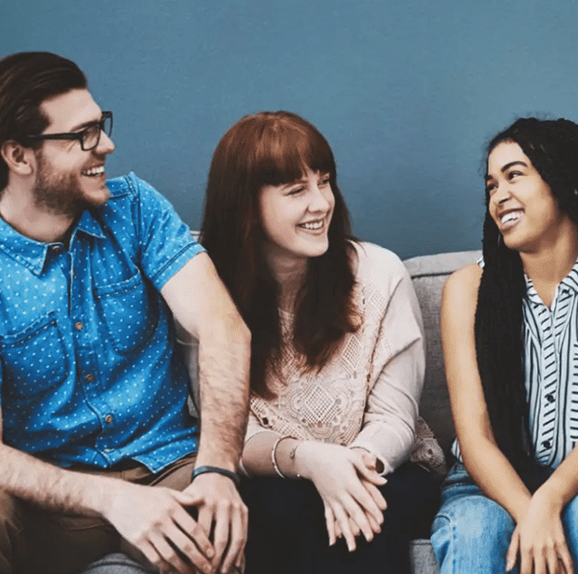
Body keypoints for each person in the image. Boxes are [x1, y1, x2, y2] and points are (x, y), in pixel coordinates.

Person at [0, 51, 251, 574]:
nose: (107, 146)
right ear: (19, 156)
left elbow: (222, 327)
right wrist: (111, 499)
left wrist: (217, 470)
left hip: (168, 467)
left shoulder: (136, 209)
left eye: (102, 126)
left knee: (218, 526)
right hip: (51, 503)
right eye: (84, 135)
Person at [188, 110, 446, 573]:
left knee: (357, 520)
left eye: (323, 182)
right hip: (278, 476)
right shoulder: (204, 293)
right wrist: (310, 460)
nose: (320, 203)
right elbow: (226, 434)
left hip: (385, 468)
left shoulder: (379, 274)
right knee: (268, 512)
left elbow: (394, 418)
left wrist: (347, 471)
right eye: (296, 191)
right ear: (245, 205)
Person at [431, 117, 578, 574]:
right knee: (477, 528)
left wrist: (551, 500)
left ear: (568, 184)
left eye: (515, 175)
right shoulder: (466, 289)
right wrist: (529, 511)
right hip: (483, 486)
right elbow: (474, 437)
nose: (499, 196)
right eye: (491, 184)